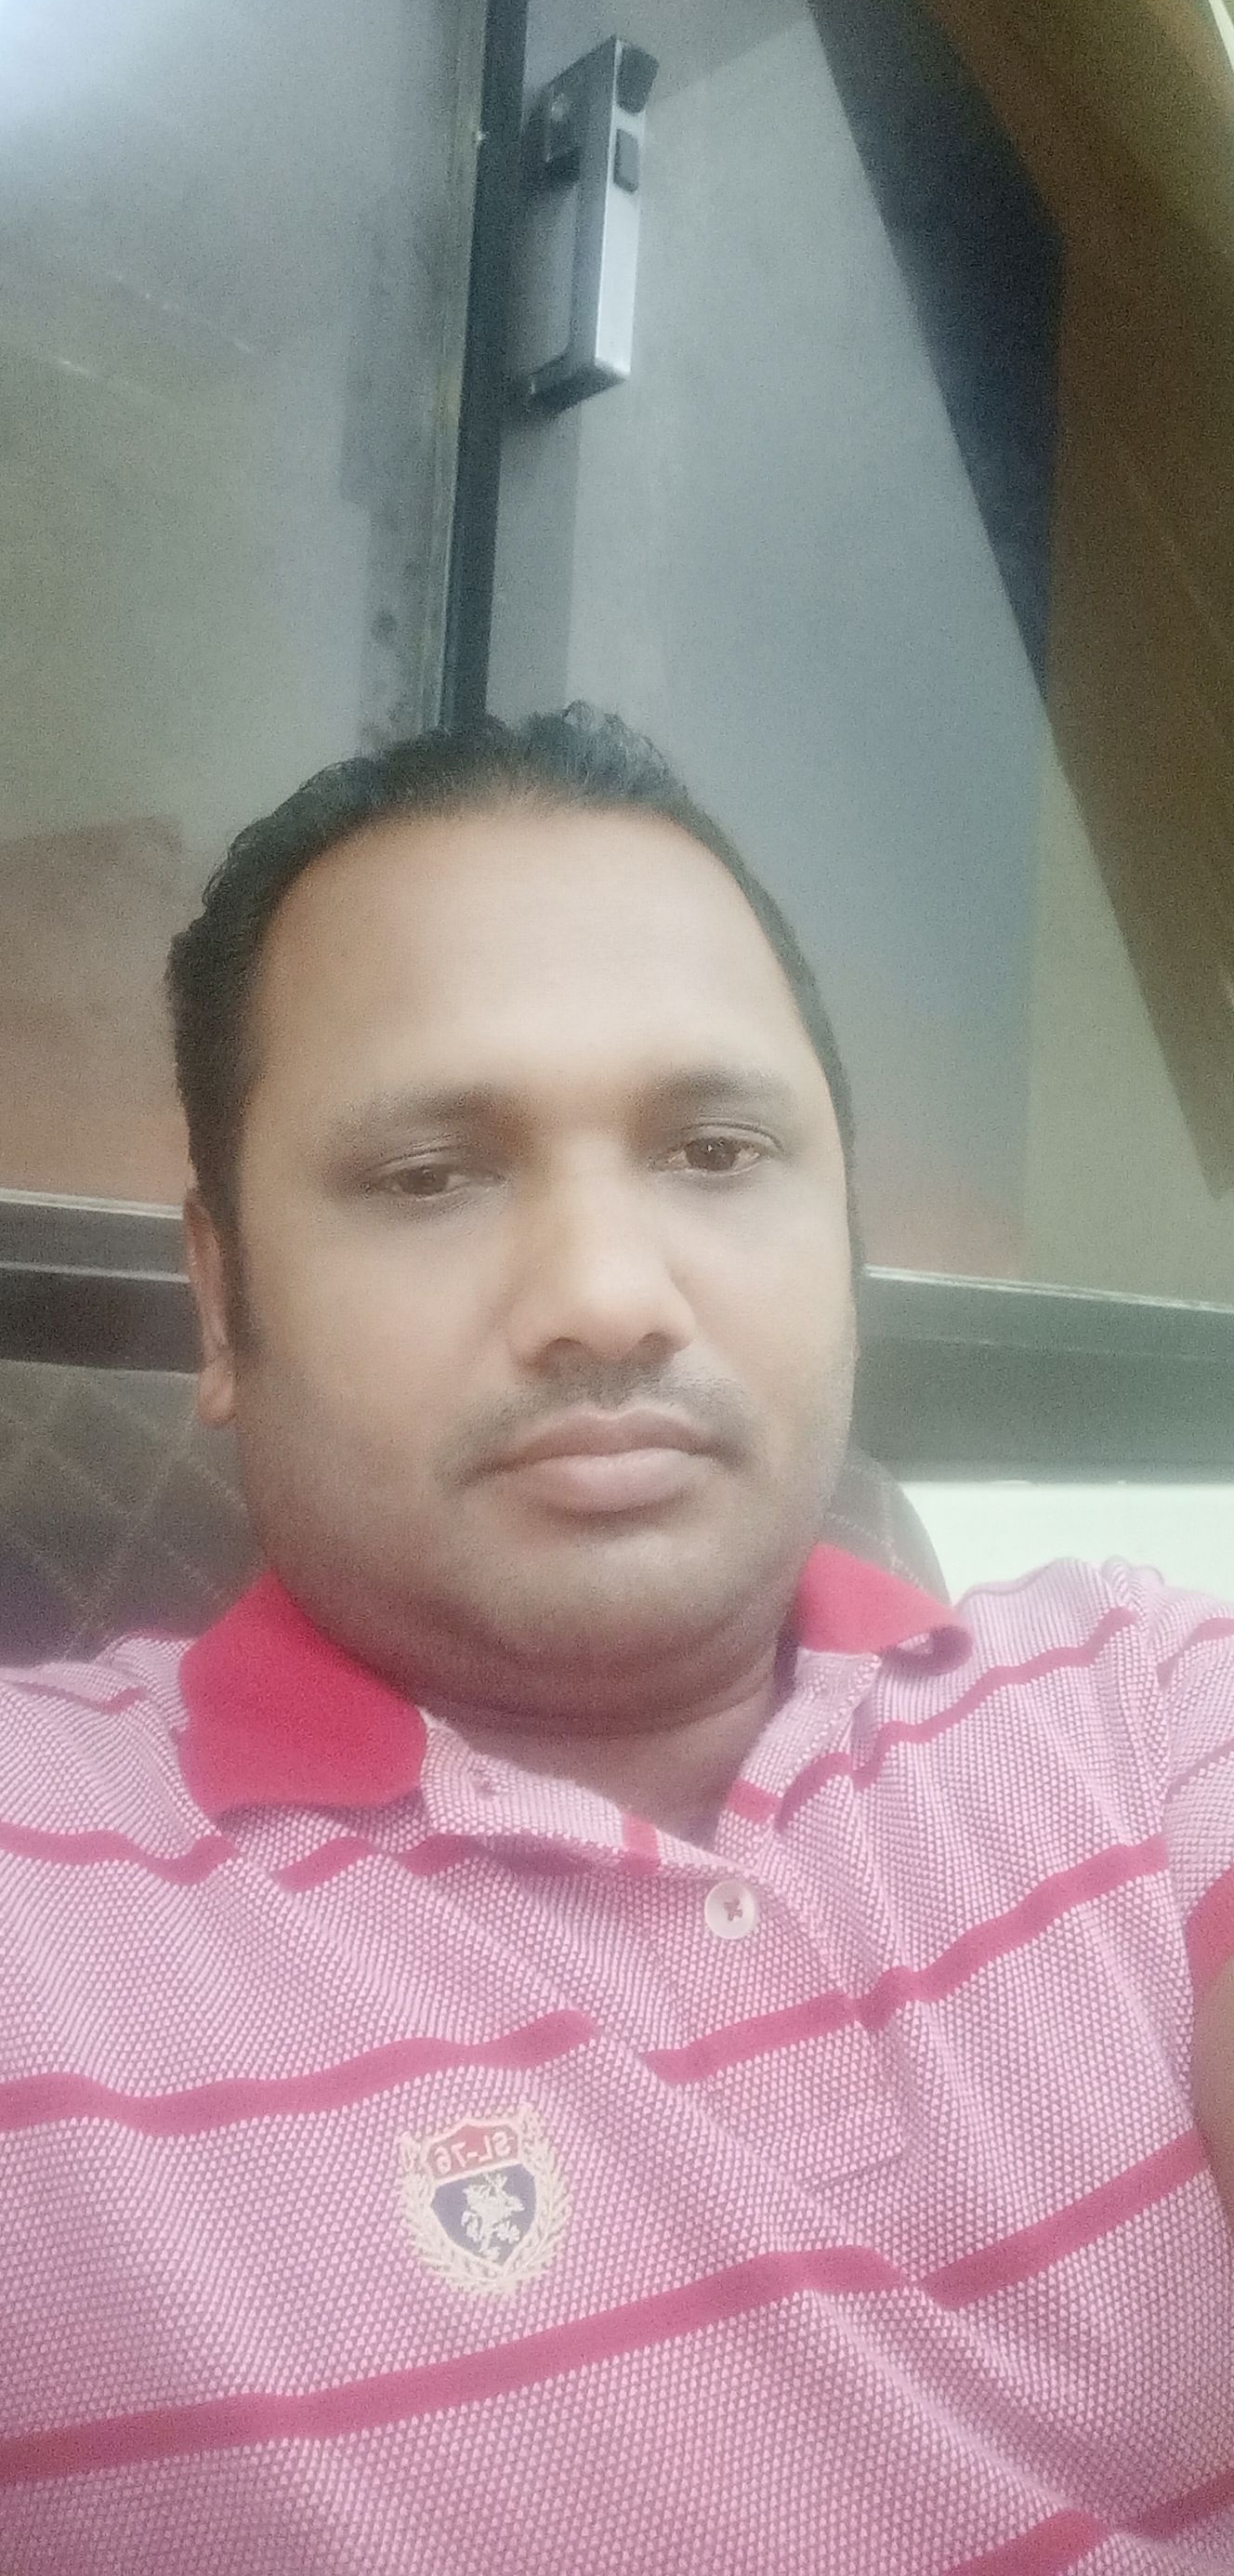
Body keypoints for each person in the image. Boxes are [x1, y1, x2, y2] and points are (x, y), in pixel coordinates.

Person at [0, 703, 1231, 2575]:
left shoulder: (1147, 1709)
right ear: (222, 1302)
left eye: (717, 1152)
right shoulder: (43, 1915)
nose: (603, 1294)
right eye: (429, 1175)